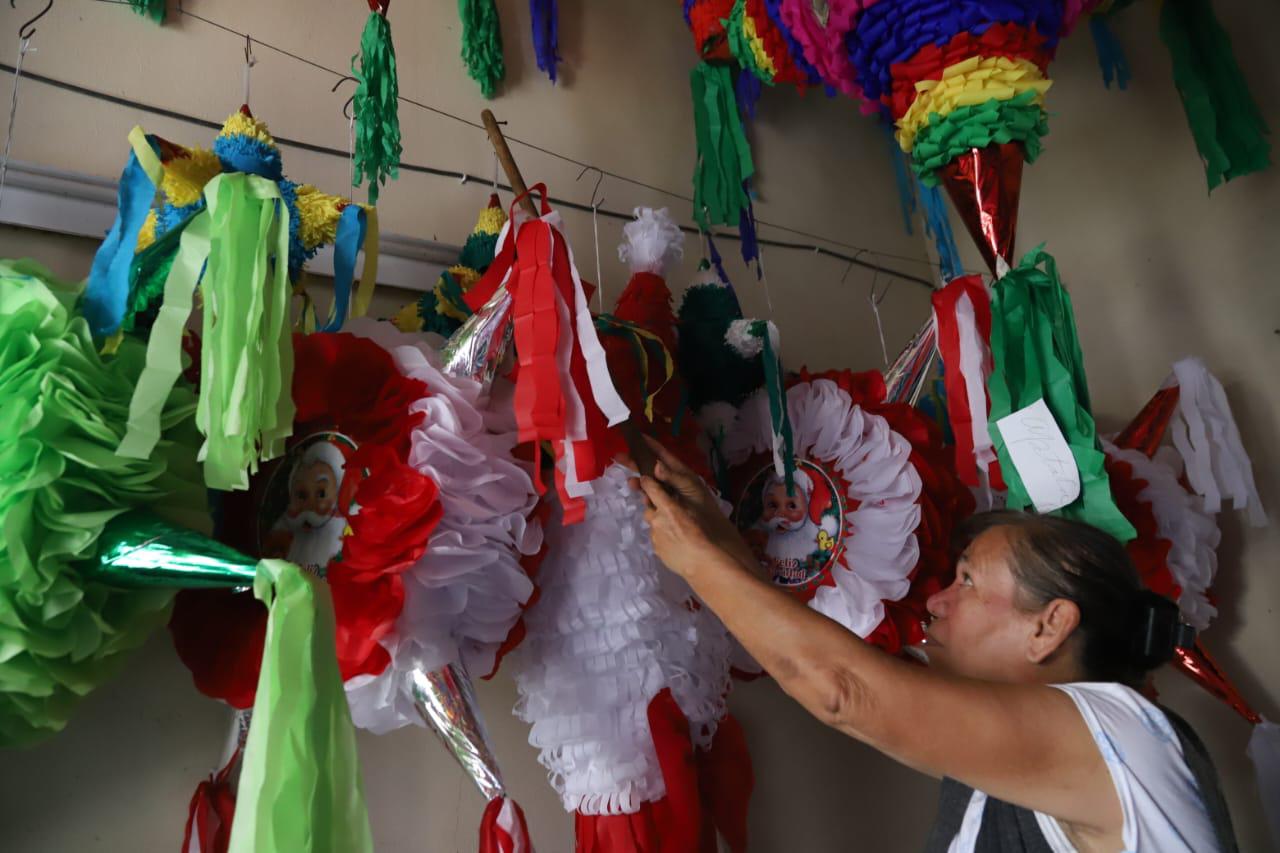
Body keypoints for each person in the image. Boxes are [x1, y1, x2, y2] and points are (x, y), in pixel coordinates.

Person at [630, 437, 1238, 852]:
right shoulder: (1007, 747)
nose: (937, 601)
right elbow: (845, 679)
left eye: (967, 581)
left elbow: (845, 691)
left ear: (1047, 627)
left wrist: (697, 559)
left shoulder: (1118, 731)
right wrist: (715, 538)